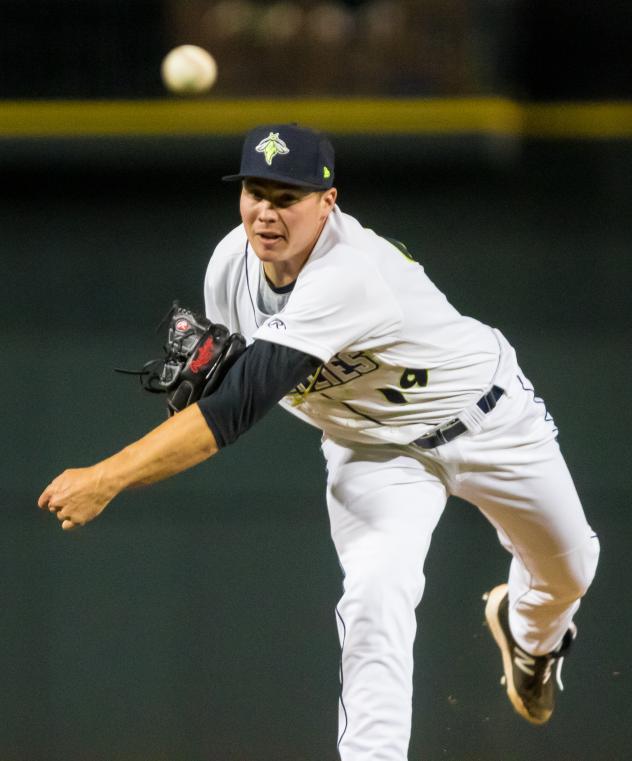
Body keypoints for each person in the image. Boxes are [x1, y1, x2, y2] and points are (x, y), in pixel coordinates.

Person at [38, 124, 600, 761]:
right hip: (375, 452)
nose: (266, 212)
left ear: (328, 202)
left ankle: (531, 637)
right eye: (255, 191)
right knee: (375, 593)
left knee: (570, 569)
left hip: (490, 419)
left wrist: (108, 476)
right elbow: (231, 376)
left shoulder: (351, 272)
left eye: (288, 196)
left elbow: (236, 408)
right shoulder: (229, 267)